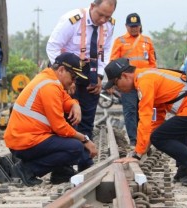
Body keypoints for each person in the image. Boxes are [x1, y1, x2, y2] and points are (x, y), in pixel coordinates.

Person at [106, 58, 187, 185]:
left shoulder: (144, 81)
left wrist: (137, 154)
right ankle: (183, 170)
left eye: (116, 83)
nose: (117, 88)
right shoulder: (148, 75)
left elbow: (145, 117)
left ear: (124, 75)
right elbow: (156, 117)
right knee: (171, 131)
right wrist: (143, 146)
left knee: (159, 138)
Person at [4, 52, 98, 186]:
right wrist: (85, 140)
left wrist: (74, 104)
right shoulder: (49, 87)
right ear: (61, 70)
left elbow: (66, 100)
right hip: (24, 141)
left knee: (71, 128)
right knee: (75, 147)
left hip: (27, 138)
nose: (73, 81)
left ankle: (61, 172)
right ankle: (26, 170)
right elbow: (59, 127)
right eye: (73, 76)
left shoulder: (49, 80)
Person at [46, 0, 116, 171]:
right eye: (100, 15)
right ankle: (62, 168)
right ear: (92, 7)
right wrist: (65, 77)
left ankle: (84, 161)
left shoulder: (109, 24)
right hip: (68, 70)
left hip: (91, 71)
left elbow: (105, 51)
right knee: (67, 120)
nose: (103, 20)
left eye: (107, 16)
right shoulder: (72, 20)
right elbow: (53, 47)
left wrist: (100, 75)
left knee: (86, 120)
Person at [109, 13, 156, 146]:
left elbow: (153, 63)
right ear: (126, 26)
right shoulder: (120, 41)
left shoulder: (147, 41)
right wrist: (112, 82)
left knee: (144, 111)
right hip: (128, 84)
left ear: (140, 26)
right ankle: (134, 140)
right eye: (131, 26)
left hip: (145, 83)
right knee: (130, 111)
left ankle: (145, 138)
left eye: (136, 26)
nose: (134, 29)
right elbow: (113, 62)